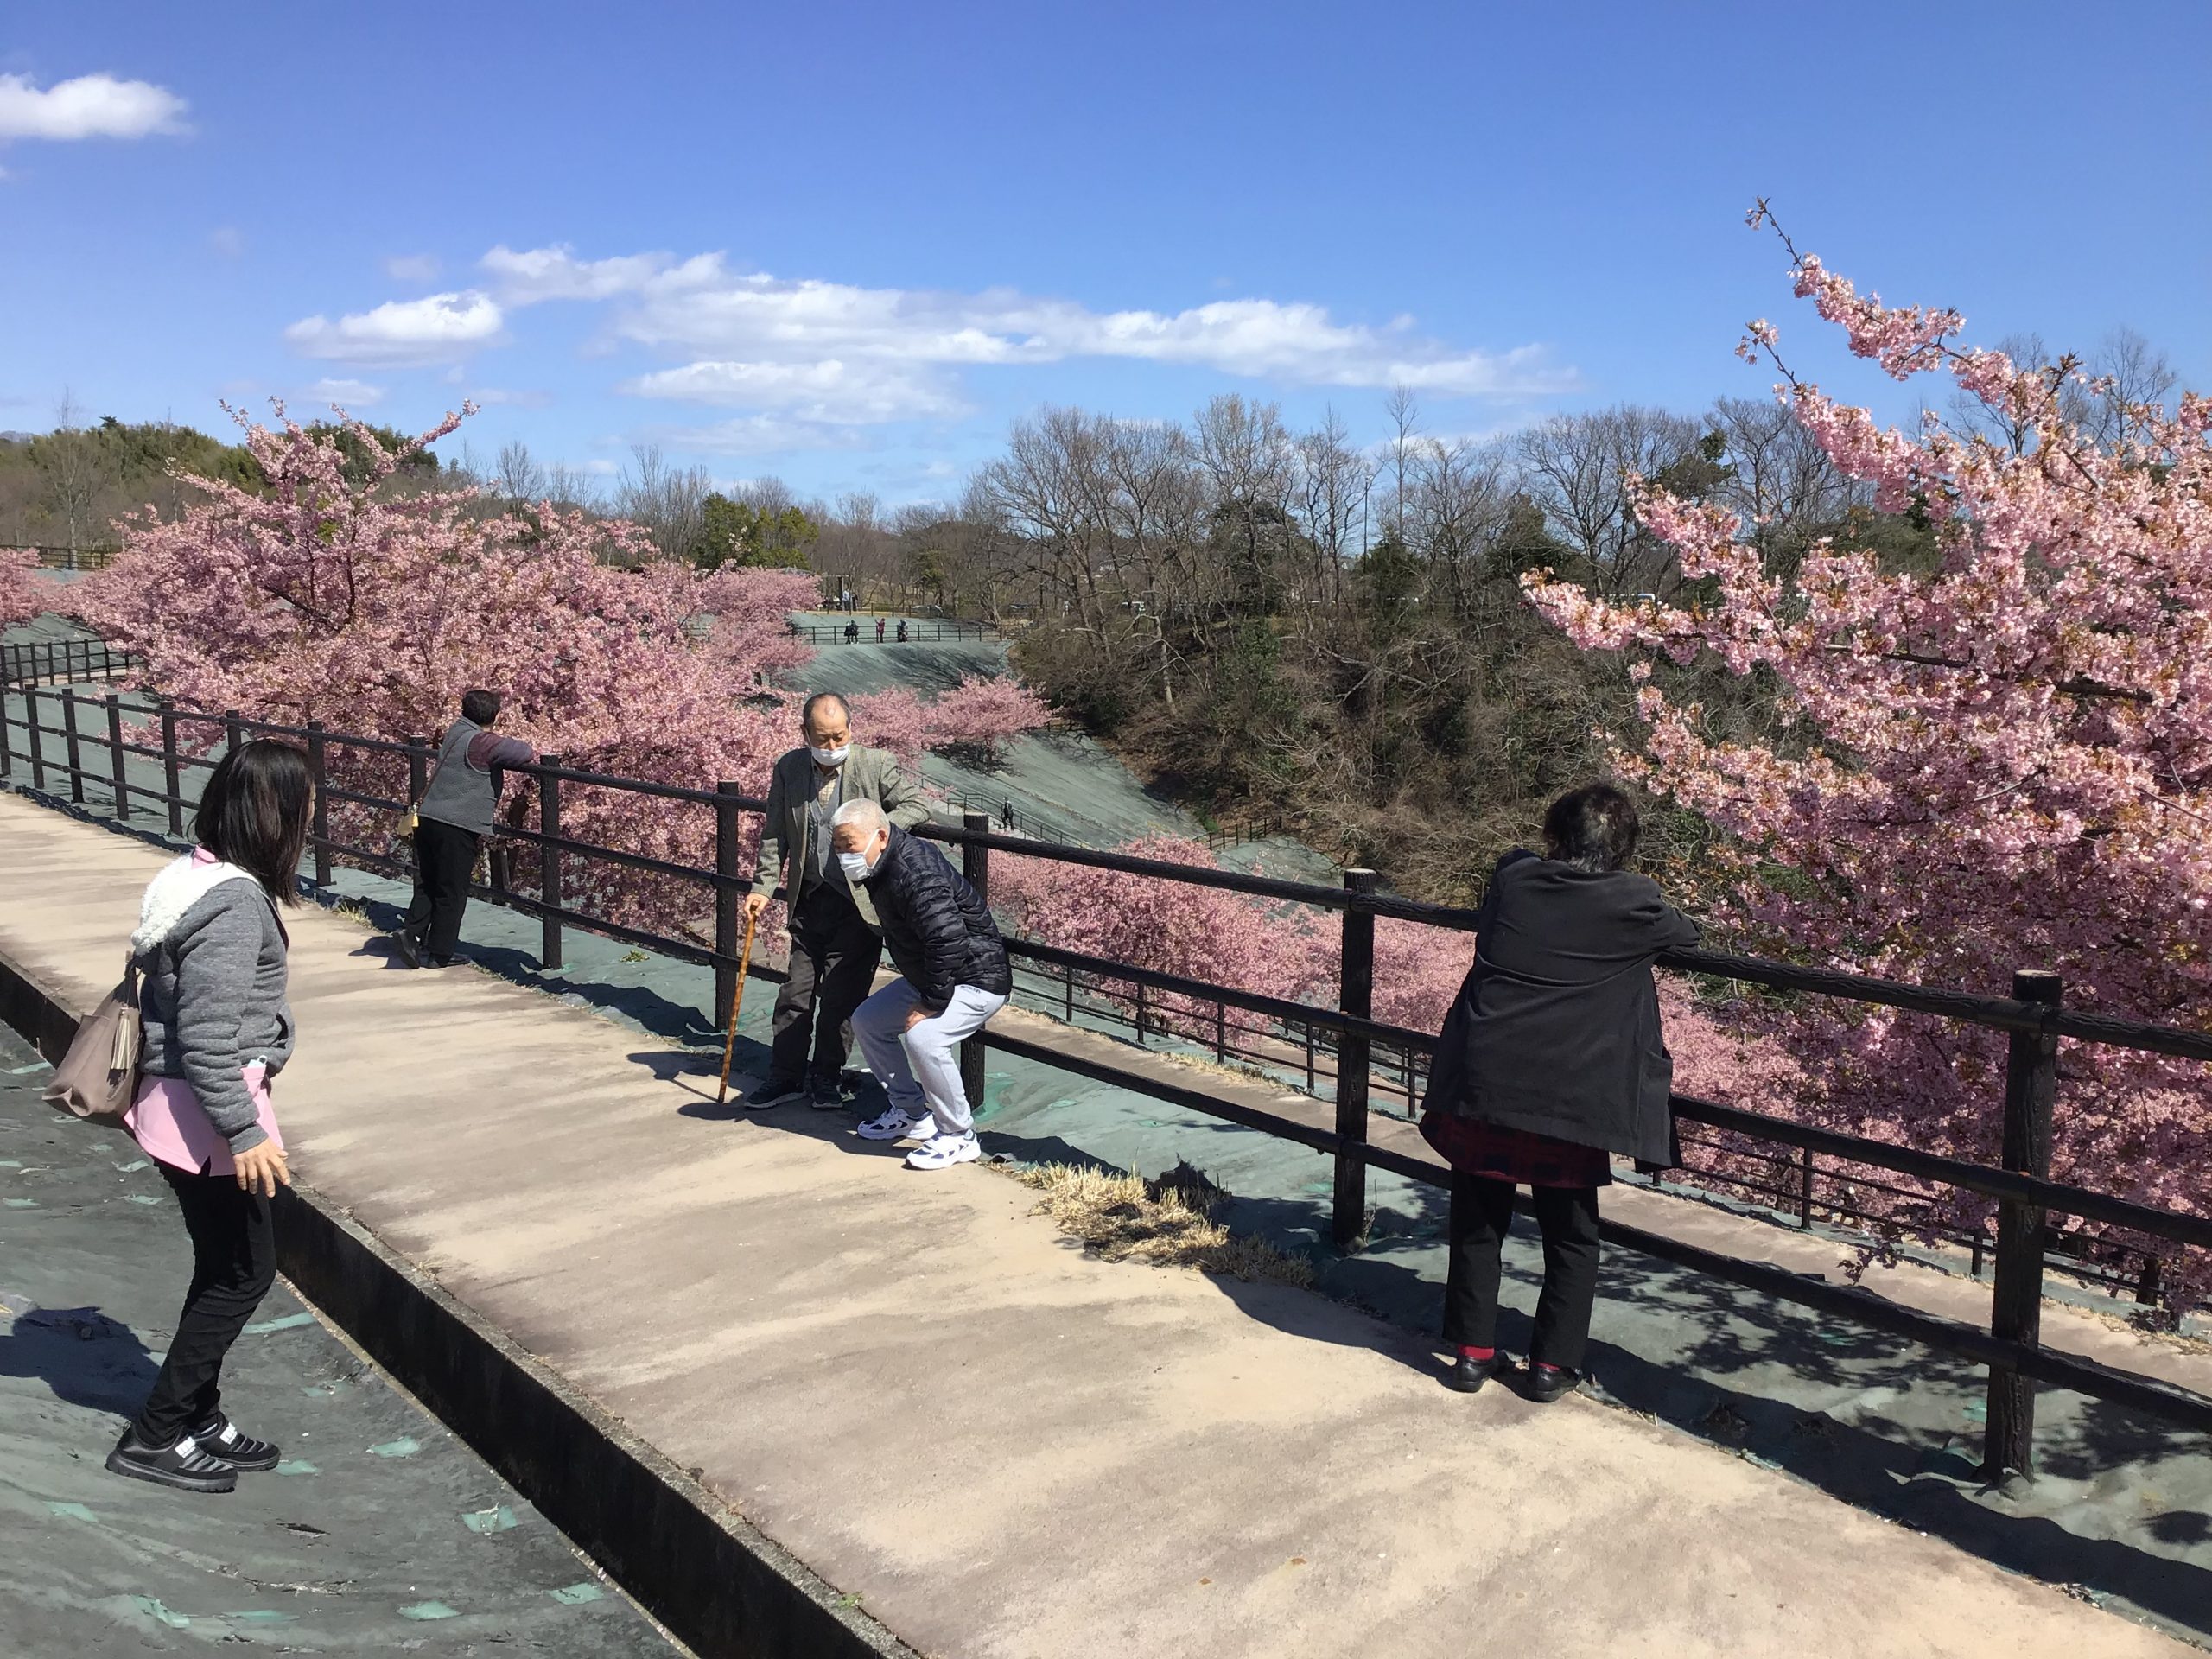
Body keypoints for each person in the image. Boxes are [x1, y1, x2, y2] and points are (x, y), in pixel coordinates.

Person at [1419, 783, 1698, 1402]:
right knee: (1571, 1234)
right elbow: (1689, 935)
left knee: (1477, 1220)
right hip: (1571, 1099)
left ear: (1554, 837)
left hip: (1487, 1081)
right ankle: (1551, 1368)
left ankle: (1470, 1356)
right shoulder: (1636, 901)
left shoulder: (1514, 883)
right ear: (1624, 849)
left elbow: (1514, 858)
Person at [106, 740, 312, 1493]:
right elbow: (206, 1035)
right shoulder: (234, 906)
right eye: (305, 801)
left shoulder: (191, 875)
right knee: (244, 1272)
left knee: (222, 1261)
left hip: (176, 1106)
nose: (313, 814)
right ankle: (157, 1433)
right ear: (275, 813)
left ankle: (198, 1414)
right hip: (209, 1112)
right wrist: (247, 1131)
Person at [743, 694, 930, 1109]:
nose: (831, 746)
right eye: (822, 738)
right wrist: (761, 886)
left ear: (851, 729)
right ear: (804, 733)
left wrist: (876, 833)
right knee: (794, 995)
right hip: (809, 900)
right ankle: (785, 1076)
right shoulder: (790, 768)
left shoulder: (873, 764)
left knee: (841, 1001)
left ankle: (826, 1078)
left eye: (839, 736)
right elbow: (775, 833)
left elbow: (917, 803)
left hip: (858, 905)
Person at [834, 800, 1011, 1169]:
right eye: (837, 846)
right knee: (868, 1021)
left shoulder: (915, 872)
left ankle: (959, 1135)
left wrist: (930, 1002)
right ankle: (912, 1113)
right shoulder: (880, 865)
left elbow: (948, 939)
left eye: (848, 845)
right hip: (934, 974)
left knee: (925, 1037)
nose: (842, 855)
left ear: (880, 836)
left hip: (976, 978)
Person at [396, 689, 534, 969]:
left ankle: (410, 933)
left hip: (429, 817)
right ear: (494, 716)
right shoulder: (483, 742)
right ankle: (440, 954)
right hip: (456, 825)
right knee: (452, 890)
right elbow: (524, 752)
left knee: (429, 882)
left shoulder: (456, 732)